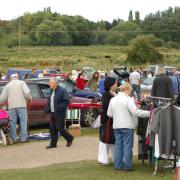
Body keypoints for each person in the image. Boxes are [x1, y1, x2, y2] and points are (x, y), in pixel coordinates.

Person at [107, 83, 150, 171]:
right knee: (127, 146)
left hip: (117, 126)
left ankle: (118, 165)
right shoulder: (128, 100)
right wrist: (149, 113)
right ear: (126, 90)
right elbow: (136, 112)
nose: (130, 92)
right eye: (130, 91)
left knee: (118, 146)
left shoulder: (113, 99)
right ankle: (127, 166)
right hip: (127, 126)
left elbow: (109, 114)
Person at [0, 73, 32, 143]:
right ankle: (23, 139)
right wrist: (29, 98)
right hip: (22, 105)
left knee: (12, 123)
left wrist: (1, 102)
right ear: (17, 77)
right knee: (23, 122)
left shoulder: (8, 85)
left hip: (12, 106)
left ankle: (14, 139)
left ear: (11, 78)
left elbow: (2, 98)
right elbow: (27, 92)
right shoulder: (22, 83)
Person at [46, 77, 74, 149]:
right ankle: (53, 143)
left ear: (55, 83)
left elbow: (66, 101)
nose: (49, 84)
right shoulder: (51, 90)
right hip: (53, 112)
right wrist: (47, 109)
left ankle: (70, 138)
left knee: (59, 128)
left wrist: (59, 108)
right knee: (52, 128)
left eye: (50, 82)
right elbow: (50, 100)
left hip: (60, 113)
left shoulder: (62, 90)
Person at [98, 77, 117, 165]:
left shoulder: (115, 93)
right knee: (105, 140)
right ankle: (103, 160)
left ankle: (115, 158)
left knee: (113, 140)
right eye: (114, 84)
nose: (116, 85)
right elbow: (106, 106)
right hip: (107, 120)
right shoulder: (105, 94)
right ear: (110, 85)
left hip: (114, 120)